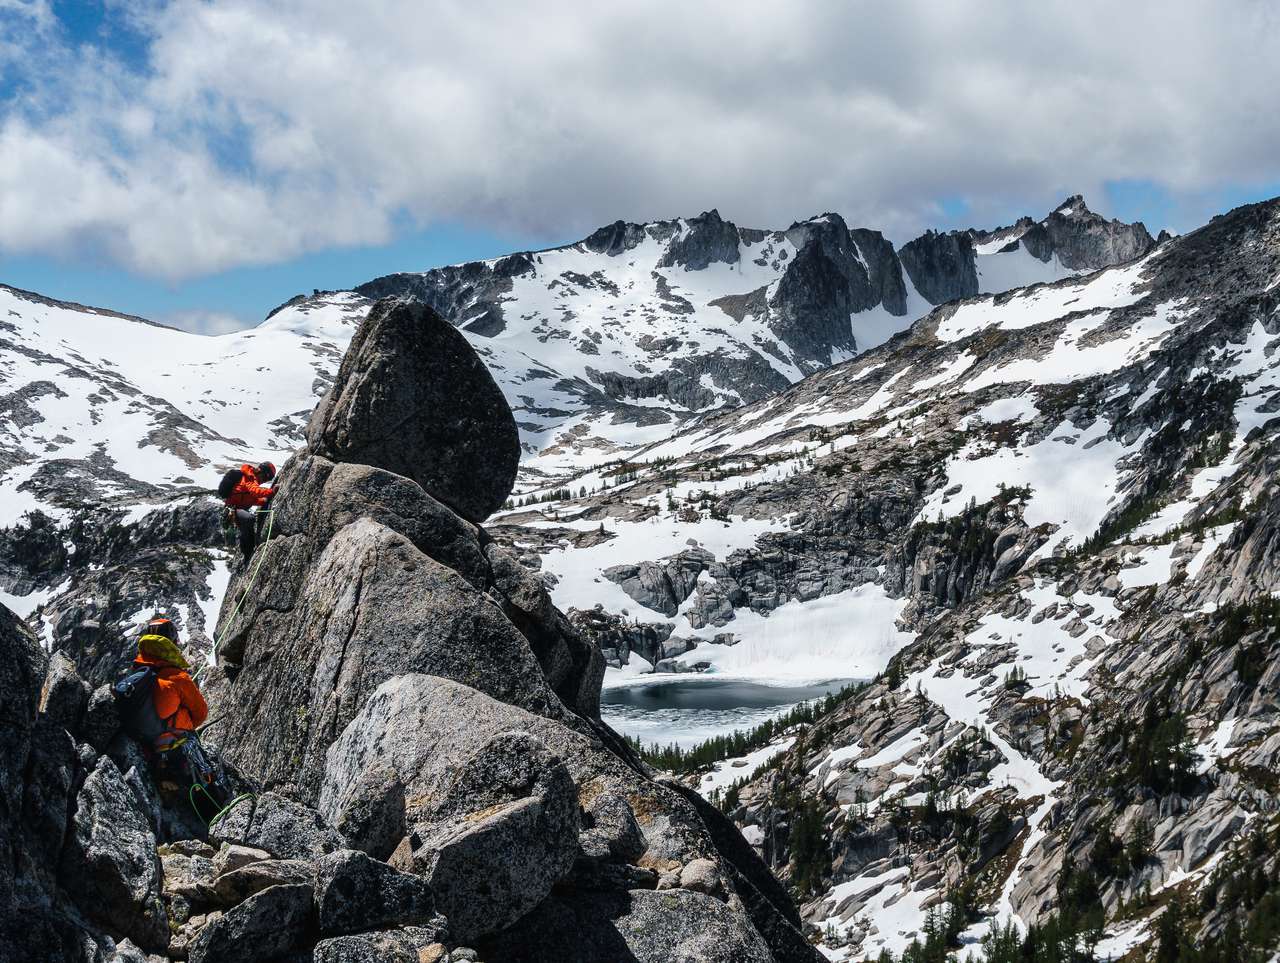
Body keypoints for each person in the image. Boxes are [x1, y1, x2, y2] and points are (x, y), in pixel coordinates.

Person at [118, 616, 208, 753]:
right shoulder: (178, 677)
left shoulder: (138, 672)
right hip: (170, 742)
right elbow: (200, 713)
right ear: (172, 643)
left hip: (136, 739)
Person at [223, 461, 276, 563]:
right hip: (232, 510)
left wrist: (263, 501)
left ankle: (247, 552)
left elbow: (250, 499)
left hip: (235, 509)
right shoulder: (249, 477)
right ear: (262, 472)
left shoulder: (251, 479)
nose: (264, 481)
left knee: (248, 525)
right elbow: (254, 491)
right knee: (249, 519)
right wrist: (271, 492)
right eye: (266, 478)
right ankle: (247, 554)